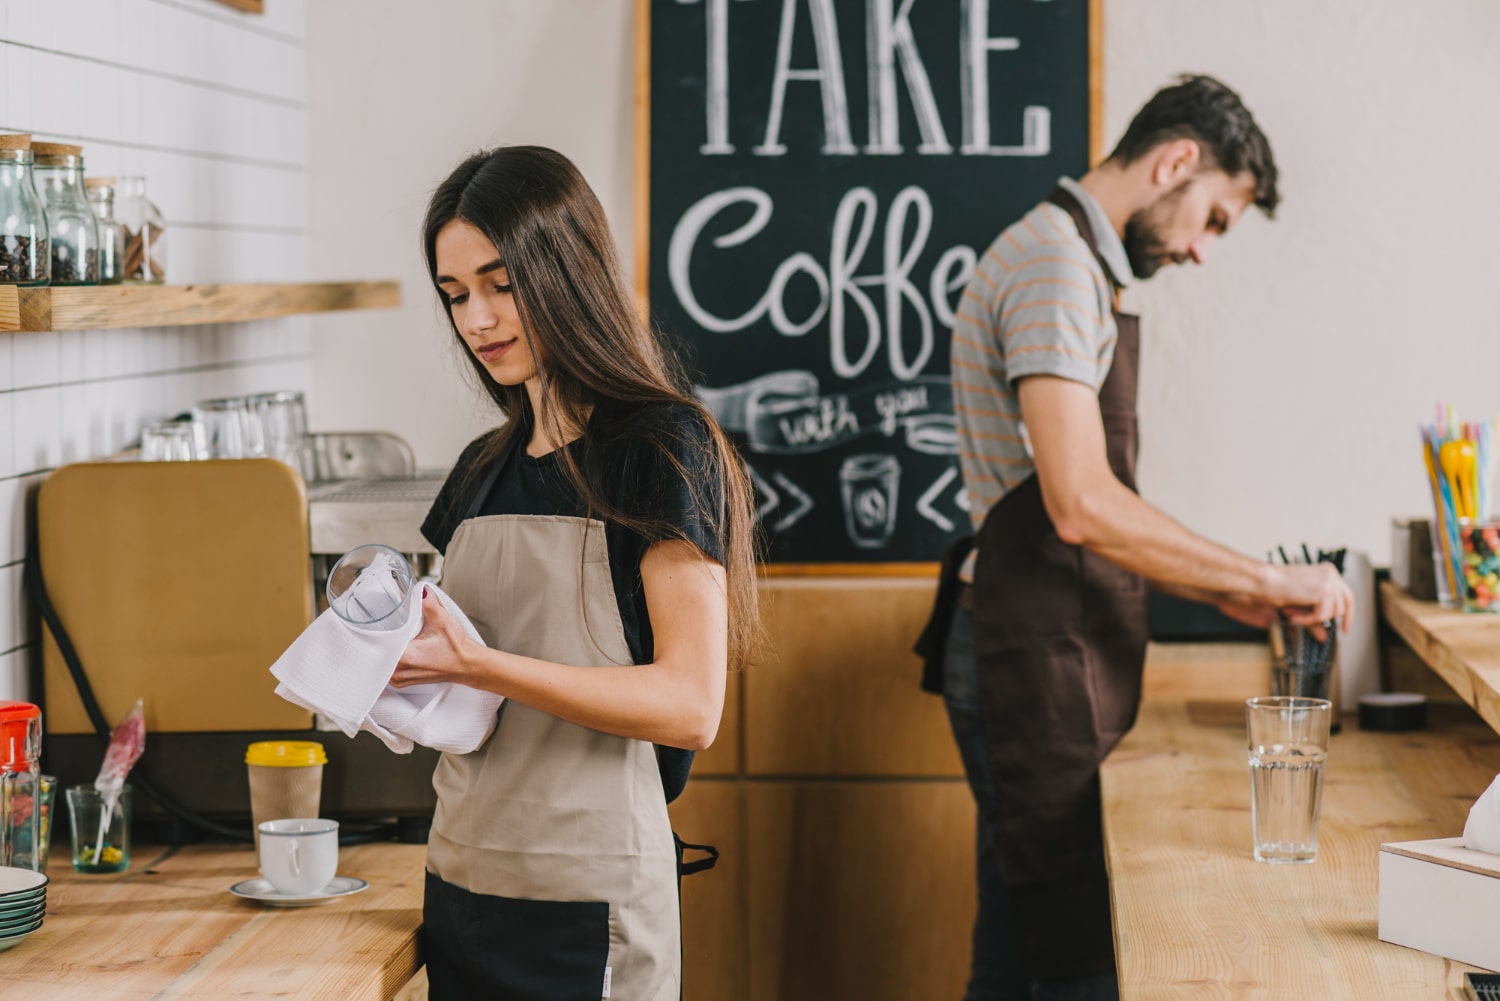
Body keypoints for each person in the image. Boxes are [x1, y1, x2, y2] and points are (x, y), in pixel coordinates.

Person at [941, 75, 1355, 999]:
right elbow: (1082, 502)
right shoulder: (1053, 266)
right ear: (1175, 162)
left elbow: (1090, 504)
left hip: (1047, 643)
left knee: (1021, 935)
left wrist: (1225, 592)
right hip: (1027, 654)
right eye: (1212, 218)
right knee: (1066, 950)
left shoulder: (1078, 265)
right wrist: (1269, 578)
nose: (1204, 252)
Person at [393, 145, 759, 1001]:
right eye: (455, 296)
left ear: (564, 269)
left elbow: (690, 704)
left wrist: (478, 666)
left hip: (587, 901)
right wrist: (392, 677)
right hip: (463, 882)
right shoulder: (481, 469)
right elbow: (473, 693)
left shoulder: (661, 446)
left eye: (499, 283)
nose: (477, 319)